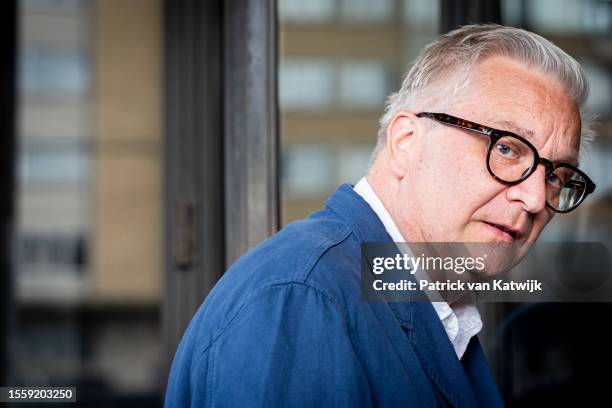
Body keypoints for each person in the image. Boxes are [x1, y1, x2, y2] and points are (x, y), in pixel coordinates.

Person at [164, 24, 596, 407]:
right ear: (406, 141)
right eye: (506, 148)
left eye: (557, 176)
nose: (537, 198)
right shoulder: (302, 298)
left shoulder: (431, 308)